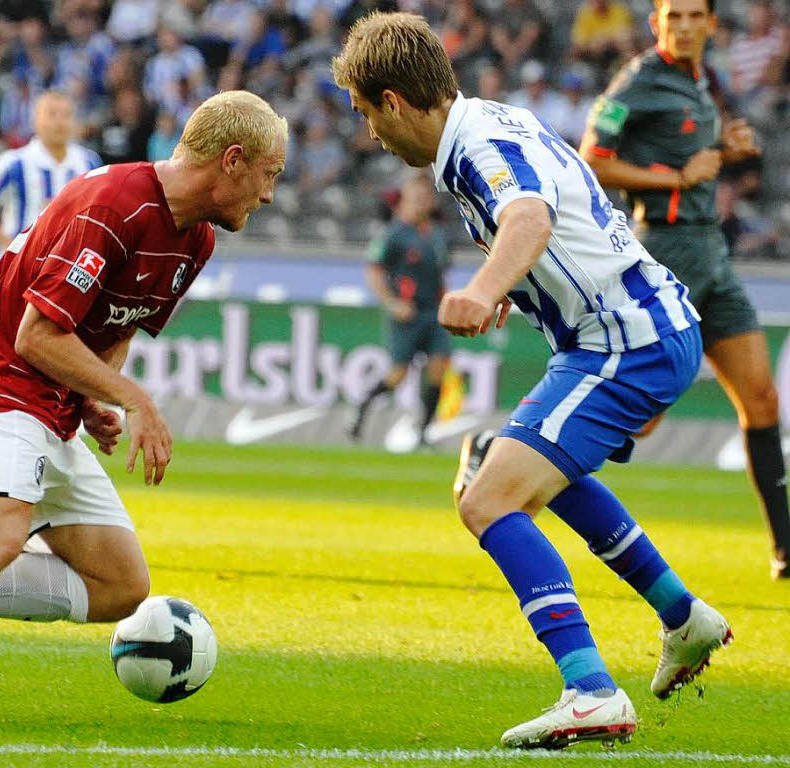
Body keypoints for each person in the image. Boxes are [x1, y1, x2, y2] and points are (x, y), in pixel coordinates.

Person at [0, 90, 287, 724]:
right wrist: (133, 397)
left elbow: (116, 327)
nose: (270, 194)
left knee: (121, 585)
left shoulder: (195, 240)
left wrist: (93, 393)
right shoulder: (114, 205)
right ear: (233, 160)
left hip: (52, 402)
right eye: (269, 173)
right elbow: (33, 335)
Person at [333, 12, 730, 750]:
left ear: (392, 101)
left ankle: (590, 689)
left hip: (623, 342)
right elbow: (564, 210)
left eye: (365, 114)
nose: (370, 136)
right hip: (632, 329)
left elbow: (530, 218)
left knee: (487, 499)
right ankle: (683, 615)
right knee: (519, 470)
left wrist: (484, 288)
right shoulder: (485, 124)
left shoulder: (479, 144)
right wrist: (519, 291)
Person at [578, 0, 790, 580]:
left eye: (697, 16)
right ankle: (501, 456)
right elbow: (591, 159)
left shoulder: (702, 80)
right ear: (657, 24)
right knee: (640, 419)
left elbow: (699, 155)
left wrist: (727, 151)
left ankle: (785, 550)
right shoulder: (641, 81)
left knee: (762, 401)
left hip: (712, 254)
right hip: (665, 252)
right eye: (676, 17)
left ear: (713, 24)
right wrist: (673, 178)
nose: (687, 26)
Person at [349, 172, 453, 446]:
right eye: (417, 197)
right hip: (407, 313)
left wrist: (447, 303)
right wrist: (392, 303)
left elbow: (440, 274)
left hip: (434, 312)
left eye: (426, 197)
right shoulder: (394, 233)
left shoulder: (437, 234)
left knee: (438, 368)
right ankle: (361, 410)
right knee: (398, 374)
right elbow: (374, 271)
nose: (422, 202)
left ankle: (424, 432)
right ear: (404, 200)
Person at [0, 90, 102, 252]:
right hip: (23, 271)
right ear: (36, 120)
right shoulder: (15, 162)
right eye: (52, 114)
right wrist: (9, 245)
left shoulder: (89, 162)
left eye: (66, 115)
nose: (59, 122)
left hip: (70, 269)